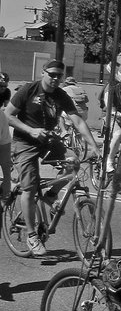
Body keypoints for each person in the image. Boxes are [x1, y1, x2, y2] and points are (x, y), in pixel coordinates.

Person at [6, 61, 99, 255]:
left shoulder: (61, 95)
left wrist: (93, 145)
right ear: (43, 73)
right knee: (30, 187)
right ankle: (32, 236)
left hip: (48, 140)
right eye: (52, 74)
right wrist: (31, 130)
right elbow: (7, 116)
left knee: (73, 162)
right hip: (24, 143)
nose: (56, 78)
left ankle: (50, 196)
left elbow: (78, 120)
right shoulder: (28, 90)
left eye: (60, 75)